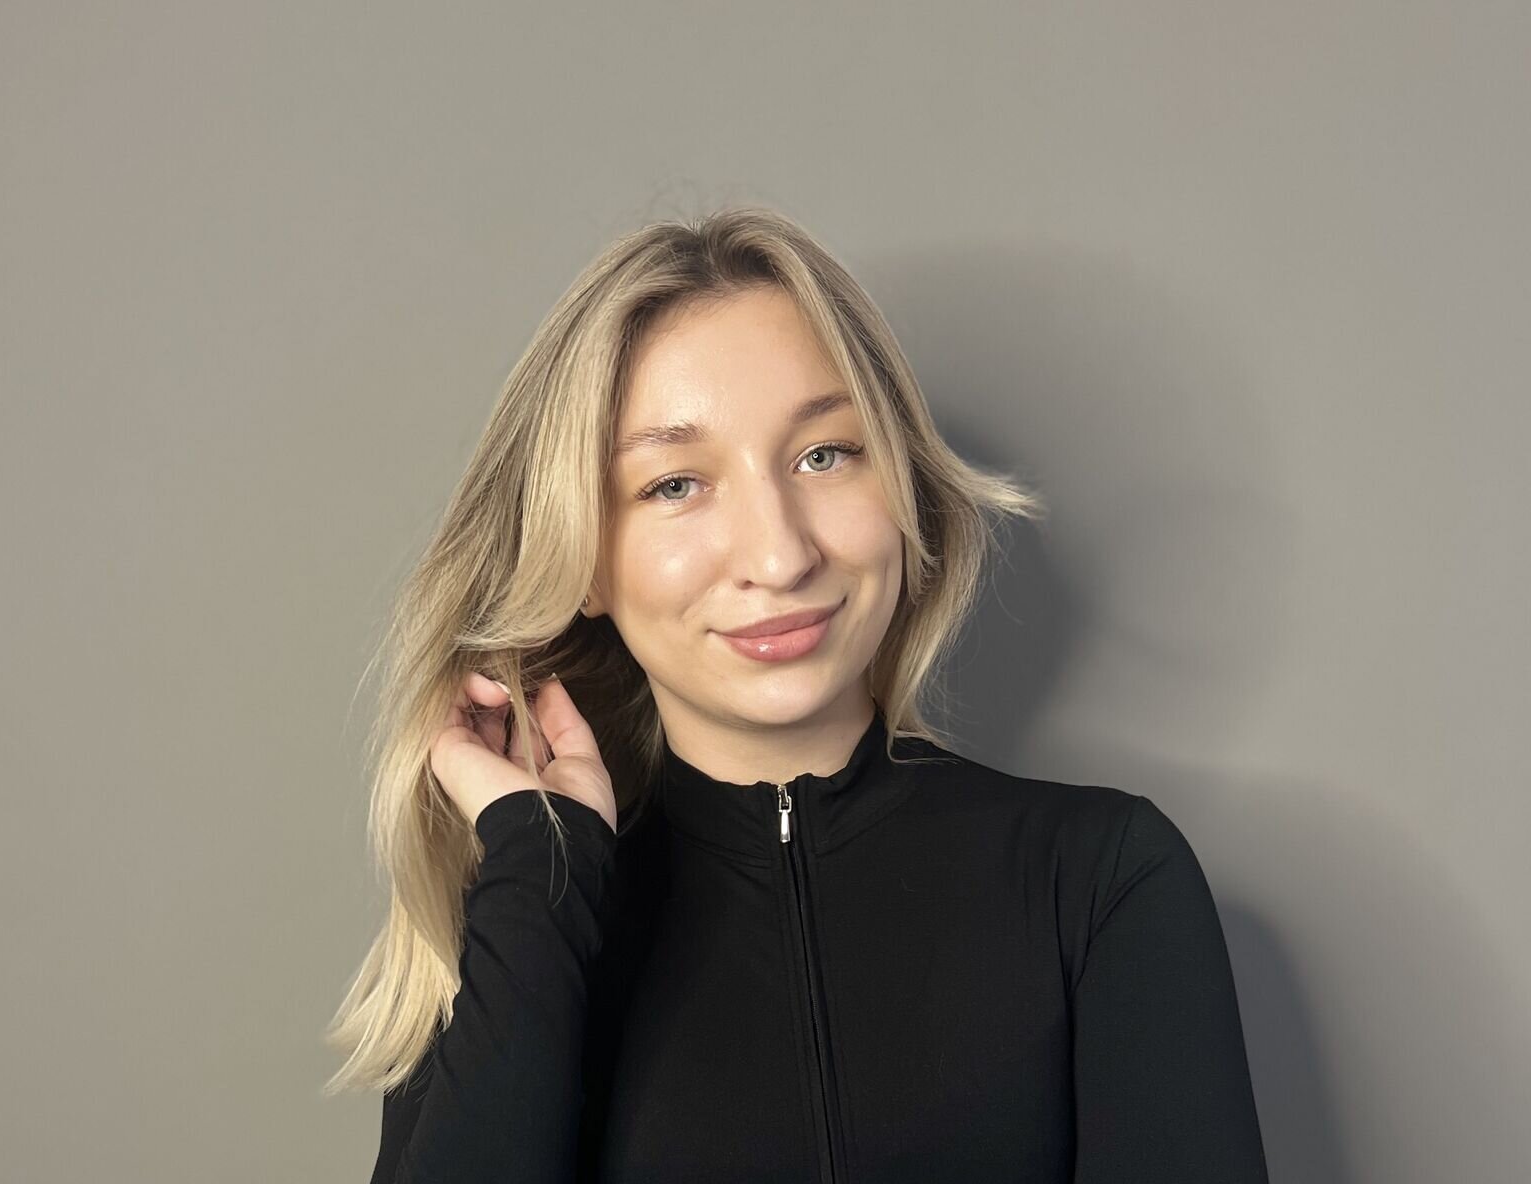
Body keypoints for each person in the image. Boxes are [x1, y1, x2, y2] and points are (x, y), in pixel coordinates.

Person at [322, 208, 1271, 1182]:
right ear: (585, 562)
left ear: (901, 486)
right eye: (675, 485)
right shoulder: (521, 934)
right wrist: (539, 869)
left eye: (825, 454)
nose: (779, 556)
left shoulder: (1102, 881)